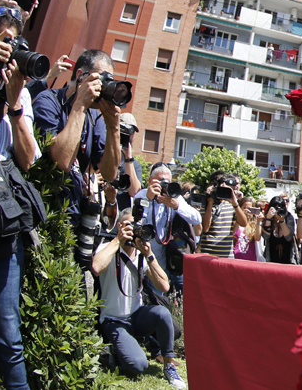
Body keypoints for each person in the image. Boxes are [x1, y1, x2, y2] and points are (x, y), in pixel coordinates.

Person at [0, 1, 47, 390]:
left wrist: (13, 98)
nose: (9, 49)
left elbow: (28, 159)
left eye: (13, 42)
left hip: (2, 216)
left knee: (8, 327)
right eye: (2, 39)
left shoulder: (19, 93)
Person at [91, 209, 186, 388]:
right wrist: (117, 240)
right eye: (130, 226)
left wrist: (150, 256)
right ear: (120, 227)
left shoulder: (141, 254)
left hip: (136, 316)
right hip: (114, 319)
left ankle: (168, 366)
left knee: (162, 313)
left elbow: (164, 287)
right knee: (138, 365)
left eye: (138, 228)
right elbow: (96, 267)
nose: (135, 231)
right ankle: (115, 350)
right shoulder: (107, 246)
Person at [32, 49, 121, 227]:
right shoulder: (48, 101)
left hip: (72, 217)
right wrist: (80, 104)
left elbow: (109, 173)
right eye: (101, 79)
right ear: (80, 75)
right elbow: (63, 161)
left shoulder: (94, 117)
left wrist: (114, 128)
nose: (103, 88)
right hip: (43, 212)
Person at [135, 163, 201, 295]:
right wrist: (148, 199)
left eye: (167, 182)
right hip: (145, 261)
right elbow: (135, 220)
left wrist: (177, 207)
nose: (164, 185)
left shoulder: (174, 197)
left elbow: (197, 219)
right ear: (150, 181)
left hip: (167, 261)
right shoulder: (141, 196)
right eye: (160, 181)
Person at [199, 172, 248, 258]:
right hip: (207, 255)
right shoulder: (205, 204)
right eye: (219, 184)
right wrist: (210, 201)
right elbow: (205, 229)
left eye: (224, 183)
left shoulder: (230, 204)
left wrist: (235, 203)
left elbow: (243, 223)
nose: (222, 186)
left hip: (227, 256)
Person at [263, 195, 297, 264]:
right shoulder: (267, 218)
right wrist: (268, 219)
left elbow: (288, 237)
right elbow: (265, 236)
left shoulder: (288, 217)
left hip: (288, 261)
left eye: (281, 208)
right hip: (271, 261)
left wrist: (282, 221)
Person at [233, 197, 262, 261]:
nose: (247, 211)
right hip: (236, 258)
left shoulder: (254, 224)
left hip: (250, 260)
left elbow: (257, 238)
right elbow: (232, 234)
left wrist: (259, 222)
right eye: (244, 208)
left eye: (249, 209)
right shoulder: (235, 223)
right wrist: (241, 216)